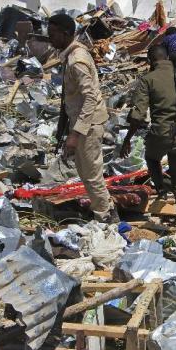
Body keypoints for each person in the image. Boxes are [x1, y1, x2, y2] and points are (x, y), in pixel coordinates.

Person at [119, 44, 176, 234]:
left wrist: (127, 139)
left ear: (151, 61)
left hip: (160, 135)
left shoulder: (148, 80)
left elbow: (137, 115)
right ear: (167, 57)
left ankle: (161, 187)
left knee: (152, 159)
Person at [47, 13, 118, 224]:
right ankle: (103, 208)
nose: (50, 39)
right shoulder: (71, 56)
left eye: (53, 34)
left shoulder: (77, 60)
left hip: (88, 124)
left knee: (91, 173)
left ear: (66, 34)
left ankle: (105, 216)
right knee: (86, 172)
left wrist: (76, 133)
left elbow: (90, 98)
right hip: (81, 122)